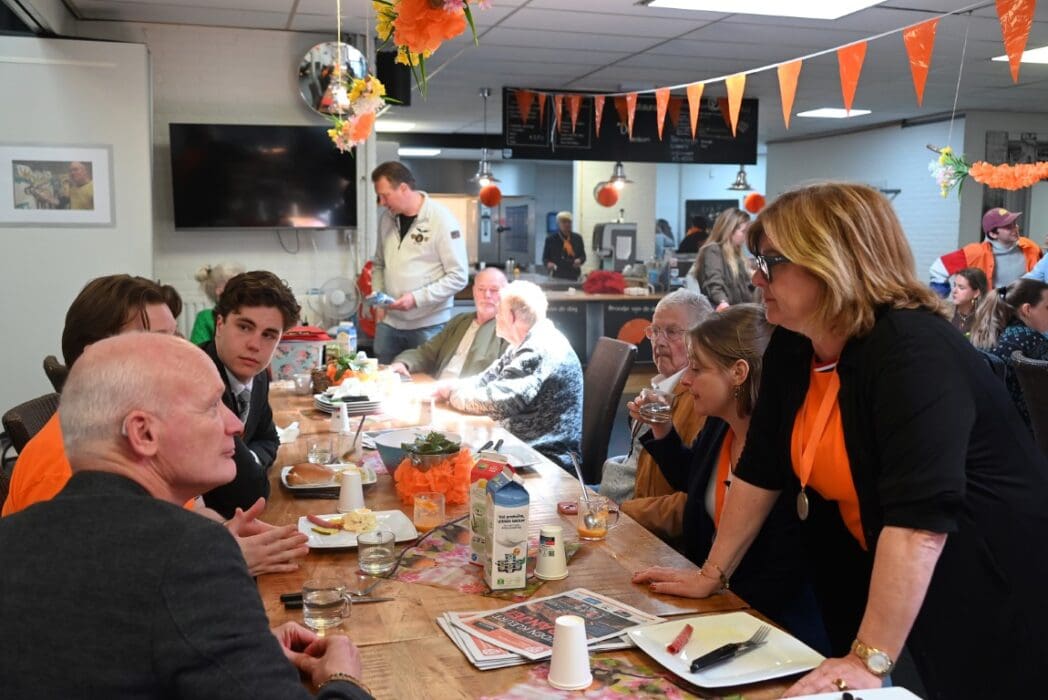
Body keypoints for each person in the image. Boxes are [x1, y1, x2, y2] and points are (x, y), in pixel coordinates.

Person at [639, 183, 1048, 699]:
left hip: (991, 578)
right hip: (890, 575)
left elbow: (919, 522)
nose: (755, 277)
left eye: (770, 263)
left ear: (830, 261)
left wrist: (867, 658)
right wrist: (712, 574)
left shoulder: (912, 350)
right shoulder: (794, 343)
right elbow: (762, 466)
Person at [0, 333, 371, 699]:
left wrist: (239, 651)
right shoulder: (191, 551)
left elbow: (100, 655)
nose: (235, 424)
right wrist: (342, 678)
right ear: (144, 433)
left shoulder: (11, 537)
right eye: (211, 407)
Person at [2, 274, 309, 577]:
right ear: (96, 357)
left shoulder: (139, 430)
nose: (182, 355)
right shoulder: (65, 472)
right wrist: (216, 560)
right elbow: (86, 594)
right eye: (160, 342)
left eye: (177, 339)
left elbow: (186, 513)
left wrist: (221, 535)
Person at [632, 305, 827, 652]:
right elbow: (691, 484)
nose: (686, 380)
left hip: (775, 631)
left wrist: (711, 587)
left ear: (738, 372)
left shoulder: (789, 453)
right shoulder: (719, 427)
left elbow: (786, 572)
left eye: (697, 368)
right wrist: (662, 429)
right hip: (717, 606)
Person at [434, 280, 583, 471]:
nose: (496, 316)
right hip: (522, 448)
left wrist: (453, 395)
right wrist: (453, 386)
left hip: (544, 460)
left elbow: (501, 402)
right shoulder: (526, 342)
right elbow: (487, 378)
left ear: (511, 316)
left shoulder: (539, 347)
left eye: (499, 312)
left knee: (447, 465)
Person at [198, 270, 300, 519]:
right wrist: (249, 469)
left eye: (269, 335)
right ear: (219, 325)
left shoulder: (258, 376)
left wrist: (249, 459)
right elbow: (250, 493)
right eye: (244, 327)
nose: (255, 345)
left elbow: (269, 439)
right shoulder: (198, 381)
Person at [599, 289, 713, 508]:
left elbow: (686, 497)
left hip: (629, 515)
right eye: (655, 331)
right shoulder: (661, 387)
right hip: (610, 500)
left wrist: (624, 511)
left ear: (701, 338)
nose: (659, 341)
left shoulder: (699, 400)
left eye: (672, 332)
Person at [370, 161, 469, 364]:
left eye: (385, 195)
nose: (382, 202)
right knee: (383, 377)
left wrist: (416, 299)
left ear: (403, 188)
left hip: (428, 326)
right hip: (389, 323)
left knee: (422, 380)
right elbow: (379, 264)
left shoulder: (441, 219)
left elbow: (459, 277)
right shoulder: (387, 219)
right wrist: (379, 299)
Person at [389, 267, 508, 380]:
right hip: (435, 388)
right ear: (474, 292)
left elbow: (506, 379)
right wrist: (403, 363)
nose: (487, 295)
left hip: (469, 393)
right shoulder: (460, 321)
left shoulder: (508, 331)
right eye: (481, 289)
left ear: (506, 293)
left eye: (494, 290)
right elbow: (427, 352)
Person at [970, 278, 1048, 428]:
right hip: (1028, 430)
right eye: (1047, 307)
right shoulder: (1029, 338)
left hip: (993, 427)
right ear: (1027, 310)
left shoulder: (991, 333)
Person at [929, 207, 1042, 295]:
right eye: (1008, 226)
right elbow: (939, 267)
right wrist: (940, 291)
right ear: (993, 234)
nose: (1015, 228)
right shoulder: (975, 252)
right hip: (992, 311)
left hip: (1024, 310)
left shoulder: (1030, 247)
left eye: (1014, 223)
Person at [690, 208, 753, 311]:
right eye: (743, 231)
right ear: (730, 230)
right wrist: (723, 303)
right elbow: (714, 284)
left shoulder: (736, 254)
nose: (746, 236)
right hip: (726, 313)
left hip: (739, 310)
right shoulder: (713, 250)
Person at [191, 262, 246, 344]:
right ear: (219, 291)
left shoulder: (246, 314)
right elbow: (197, 349)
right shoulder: (206, 317)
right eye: (236, 286)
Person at [542, 211, 586, 280]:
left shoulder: (578, 238)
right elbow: (545, 258)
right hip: (557, 274)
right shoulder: (551, 239)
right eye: (564, 222)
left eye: (569, 222)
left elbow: (583, 256)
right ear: (558, 223)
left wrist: (580, 260)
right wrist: (548, 263)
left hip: (574, 274)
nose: (567, 224)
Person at [948, 267, 987, 336]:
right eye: (954, 285)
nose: (954, 291)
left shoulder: (985, 318)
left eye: (961, 288)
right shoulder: (945, 311)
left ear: (976, 293)